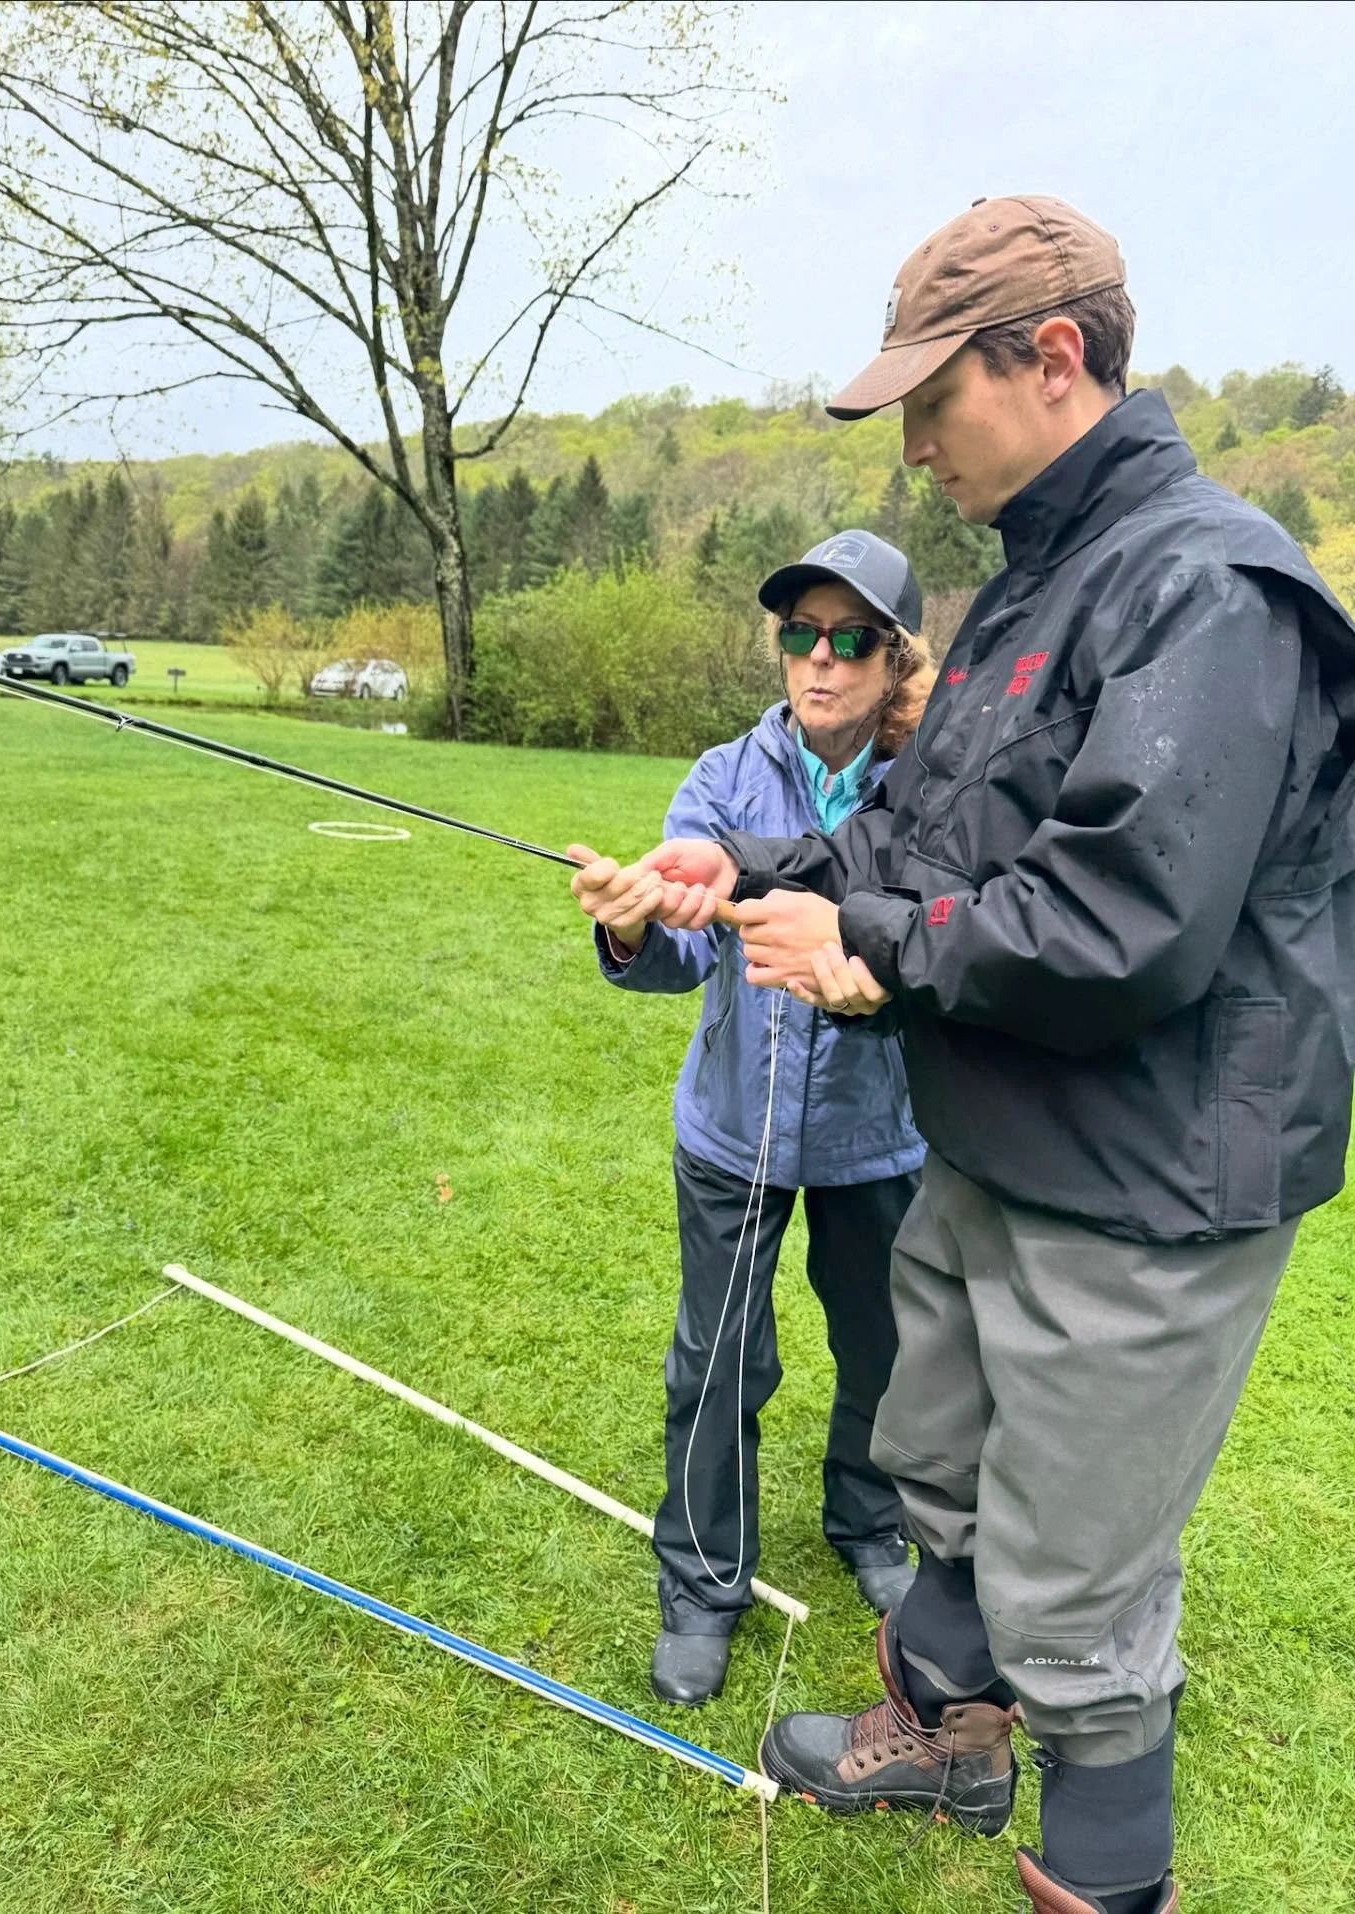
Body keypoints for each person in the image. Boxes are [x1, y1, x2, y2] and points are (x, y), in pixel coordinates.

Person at [598, 197, 1355, 1911]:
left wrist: (866, 955)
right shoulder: (1035, 588)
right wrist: (757, 877)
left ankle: (1105, 1857)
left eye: (936, 399)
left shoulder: (1205, 586)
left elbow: (1125, 926)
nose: (914, 443)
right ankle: (949, 1722)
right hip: (1005, 1138)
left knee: (1074, 1576)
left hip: (1152, 1173)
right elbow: (923, 846)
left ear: (1059, 358)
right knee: (938, 1453)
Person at [569, 531, 933, 1707]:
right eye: (798, 634)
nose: (819, 660)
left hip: (884, 1138)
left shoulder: (931, 788)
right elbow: (674, 955)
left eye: (849, 639)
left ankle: (866, 1522)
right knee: (720, 1358)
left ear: (895, 660)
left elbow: (931, 949)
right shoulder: (723, 778)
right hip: (733, 1132)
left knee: (883, 1349)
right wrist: (632, 922)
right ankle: (703, 1579)